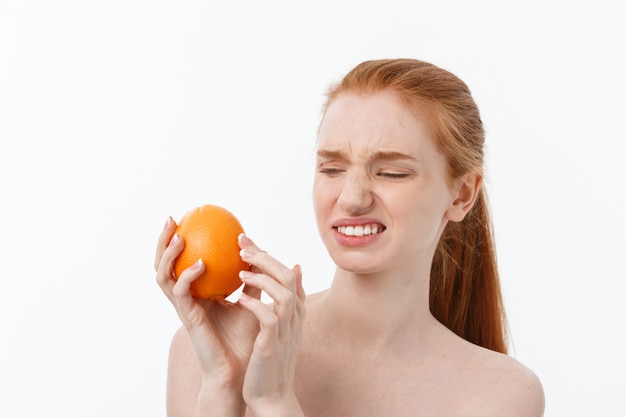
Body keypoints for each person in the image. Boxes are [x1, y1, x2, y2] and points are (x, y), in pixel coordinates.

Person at [155, 58, 545, 416]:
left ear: (461, 195)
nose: (353, 198)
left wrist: (274, 402)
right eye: (331, 168)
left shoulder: (500, 393)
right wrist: (224, 387)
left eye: (392, 172)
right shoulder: (206, 352)